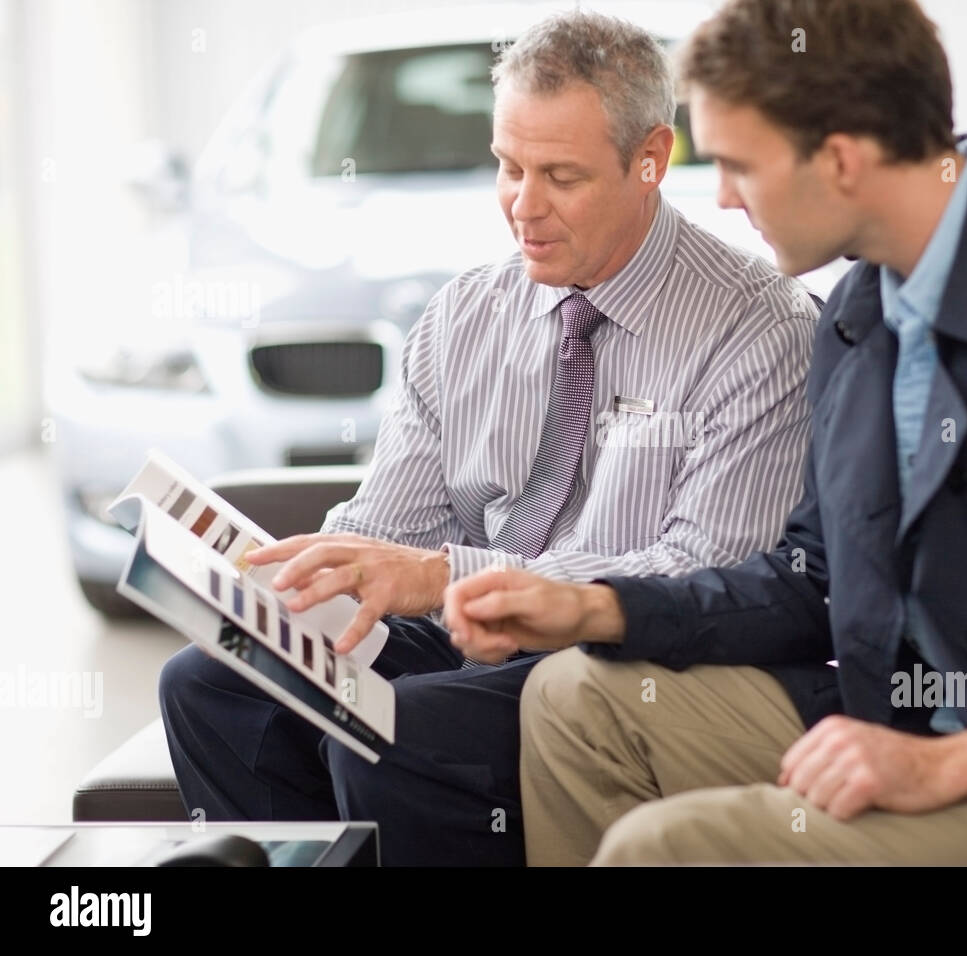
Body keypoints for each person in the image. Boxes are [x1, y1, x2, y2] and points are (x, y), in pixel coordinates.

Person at [444, 0, 967, 865]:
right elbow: (812, 577)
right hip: (893, 719)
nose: (726, 197)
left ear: (842, 161)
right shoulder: (861, 310)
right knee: (571, 700)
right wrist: (595, 605)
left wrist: (959, 761)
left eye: (740, 165)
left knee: (665, 847)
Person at [158, 9, 819, 866]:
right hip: (462, 634)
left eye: (561, 176)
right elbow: (389, 528)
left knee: (410, 729)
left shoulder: (756, 329)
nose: (523, 207)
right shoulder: (466, 313)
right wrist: (298, 582)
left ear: (652, 159)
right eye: (508, 167)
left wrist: (450, 575)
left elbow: (705, 575)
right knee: (210, 684)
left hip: (616, 662)